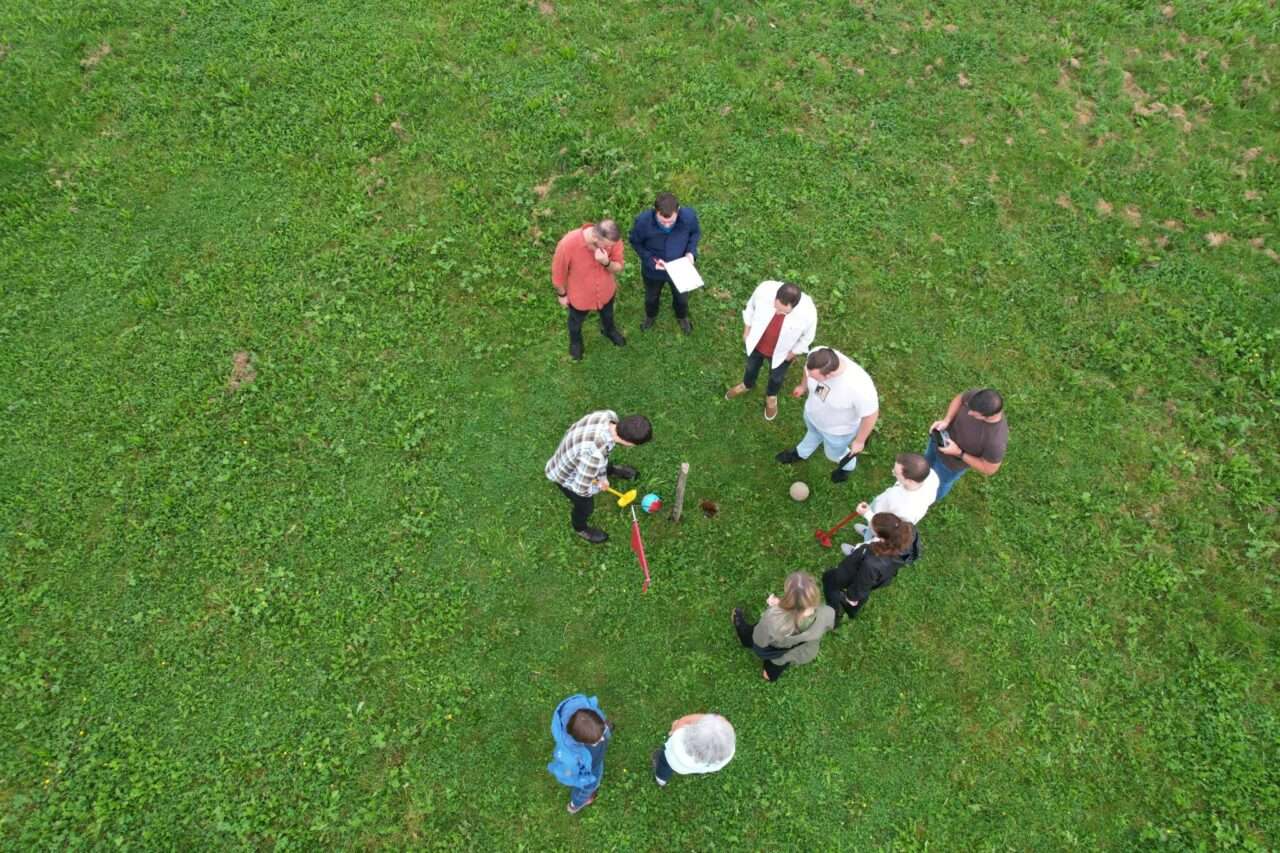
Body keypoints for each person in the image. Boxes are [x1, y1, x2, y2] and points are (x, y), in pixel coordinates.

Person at [545, 410, 652, 544]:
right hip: (565, 474)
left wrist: (602, 477)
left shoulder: (608, 416)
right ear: (629, 443)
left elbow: (602, 456)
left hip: (579, 454)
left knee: (603, 463)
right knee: (585, 506)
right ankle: (580, 528)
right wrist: (598, 486)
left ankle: (611, 470)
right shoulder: (594, 455)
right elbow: (581, 489)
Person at [776, 347, 879, 483]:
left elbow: (871, 414)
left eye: (815, 378)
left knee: (833, 454)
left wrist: (859, 441)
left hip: (836, 432)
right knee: (812, 434)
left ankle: (847, 466)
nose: (810, 377)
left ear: (829, 376)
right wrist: (803, 386)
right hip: (812, 415)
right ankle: (801, 453)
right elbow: (807, 371)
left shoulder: (859, 387)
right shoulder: (818, 354)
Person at [725, 281, 817, 421]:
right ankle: (747, 384)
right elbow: (750, 308)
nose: (779, 313)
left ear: (795, 306)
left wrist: (792, 353)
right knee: (750, 367)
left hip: (782, 353)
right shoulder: (764, 289)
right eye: (777, 307)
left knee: (776, 377)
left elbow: (808, 337)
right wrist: (747, 331)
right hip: (757, 344)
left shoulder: (808, 312)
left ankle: (771, 396)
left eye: (784, 312)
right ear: (775, 297)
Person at [730, 572, 835, 682]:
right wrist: (780, 605)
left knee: (752, 637)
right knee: (779, 664)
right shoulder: (828, 612)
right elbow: (821, 623)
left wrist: (777, 609)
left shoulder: (773, 618)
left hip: (775, 647)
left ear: (788, 598)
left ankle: (744, 638)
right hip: (802, 651)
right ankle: (770, 675)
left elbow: (759, 639)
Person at [822, 513, 920, 627]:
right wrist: (868, 513)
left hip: (856, 573)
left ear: (882, 537)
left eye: (872, 527)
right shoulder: (907, 531)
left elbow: (862, 582)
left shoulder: (872, 562)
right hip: (881, 576)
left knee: (829, 580)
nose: (869, 525)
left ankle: (833, 618)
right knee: (866, 589)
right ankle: (852, 612)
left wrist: (851, 597)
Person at [551, 220, 626, 361]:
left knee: (608, 315)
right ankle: (576, 342)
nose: (610, 247)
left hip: (606, 291)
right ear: (595, 238)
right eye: (608, 246)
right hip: (580, 297)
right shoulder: (567, 244)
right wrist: (562, 294)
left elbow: (619, 267)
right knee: (575, 322)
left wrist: (606, 262)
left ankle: (609, 330)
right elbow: (558, 273)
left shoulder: (613, 239)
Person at [628, 192, 702, 335]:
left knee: (681, 298)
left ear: (678, 211)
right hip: (654, 270)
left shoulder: (689, 217)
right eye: (662, 222)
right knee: (651, 297)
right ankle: (650, 316)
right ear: (655, 212)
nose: (667, 225)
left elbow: (695, 234)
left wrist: (691, 253)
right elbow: (635, 241)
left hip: (681, 267)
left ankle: (681, 316)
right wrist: (649, 260)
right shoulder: (643, 222)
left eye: (671, 221)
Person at [841, 452, 939, 551]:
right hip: (880, 511)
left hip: (881, 526)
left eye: (896, 473)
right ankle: (869, 531)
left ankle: (858, 550)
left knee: (871, 543)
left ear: (910, 481)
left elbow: (887, 530)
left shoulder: (906, 509)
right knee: (871, 530)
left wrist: (868, 515)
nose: (892, 472)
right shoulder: (930, 476)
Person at [924, 388, 1008, 500]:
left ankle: (927, 501)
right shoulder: (979, 398)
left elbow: (989, 469)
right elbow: (960, 399)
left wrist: (959, 453)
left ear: (987, 416)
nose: (969, 412)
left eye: (974, 414)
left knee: (939, 483)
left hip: (950, 464)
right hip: (938, 440)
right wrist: (946, 420)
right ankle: (919, 477)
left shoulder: (995, 441)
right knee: (925, 465)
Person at [547, 693, 613, 814]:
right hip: (589, 770)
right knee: (587, 788)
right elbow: (571, 773)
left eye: (602, 732)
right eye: (596, 741)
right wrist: (585, 781)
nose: (602, 739)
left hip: (595, 758)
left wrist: (603, 729)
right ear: (580, 741)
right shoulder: (572, 758)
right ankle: (576, 804)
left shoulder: (585, 716)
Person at [651, 713, 735, 787]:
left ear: (691, 734)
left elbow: (684, 721)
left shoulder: (678, 741)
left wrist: (674, 728)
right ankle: (662, 780)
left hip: (673, 761)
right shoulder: (728, 753)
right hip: (696, 768)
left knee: (664, 764)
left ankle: (661, 779)